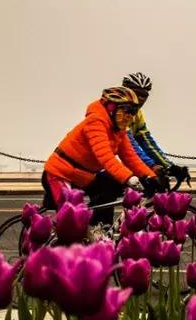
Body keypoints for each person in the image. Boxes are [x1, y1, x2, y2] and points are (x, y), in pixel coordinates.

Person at [43, 86, 160, 226]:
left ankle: (99, 228)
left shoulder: (118, 130)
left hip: (84, 176)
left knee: (111, 185)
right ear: (112, 108)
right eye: (127, 110)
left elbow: (131, 157)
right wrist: (130, 178)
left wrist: (151, 177)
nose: (130, 116)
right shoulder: (96, 122)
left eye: (133, 112)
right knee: (72, 223)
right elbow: (105, 156)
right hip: (61, 174)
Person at [120, 72, 190, 187]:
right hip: (102, 162)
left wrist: (170, 166)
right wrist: (151, 165)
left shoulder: (136, 114)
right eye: (136, 94)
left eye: (144, 95)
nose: (140, 99)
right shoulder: (119, 113)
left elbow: (146, 142)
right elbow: (130, 145)